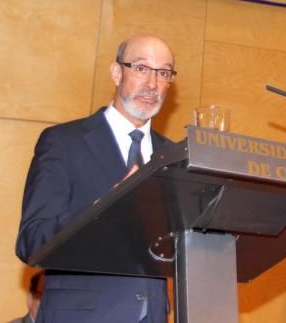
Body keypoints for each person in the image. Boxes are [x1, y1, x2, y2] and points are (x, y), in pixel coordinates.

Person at [16, 34, 177, 322]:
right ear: (117, 73)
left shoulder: (173, 156)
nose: (152, 84)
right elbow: (32, 241)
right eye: (141, 69)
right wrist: (104, 206)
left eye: (163, 73)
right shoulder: (63, 142)